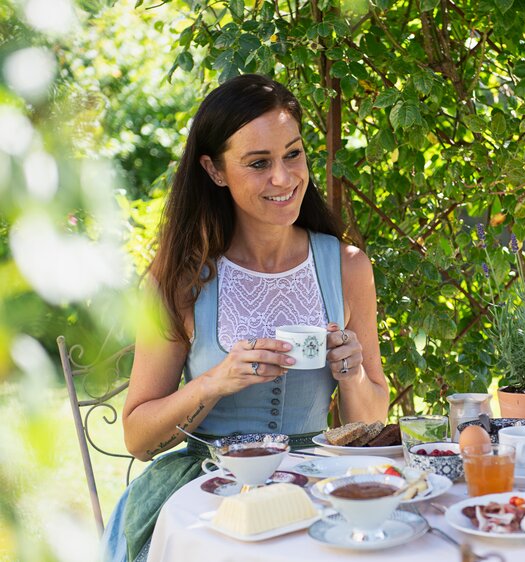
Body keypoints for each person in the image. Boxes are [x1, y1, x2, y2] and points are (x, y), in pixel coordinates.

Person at [103, 74, 389, 562]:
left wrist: (352, 371)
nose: (283, 178)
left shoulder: (349, 266)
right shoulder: (178, 280)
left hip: (314, 489)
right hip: (208, 493)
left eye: (293, 154)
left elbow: (371, 423)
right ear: (214, 170)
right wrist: (213, 383)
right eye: (259, 163)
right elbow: (138, 438)